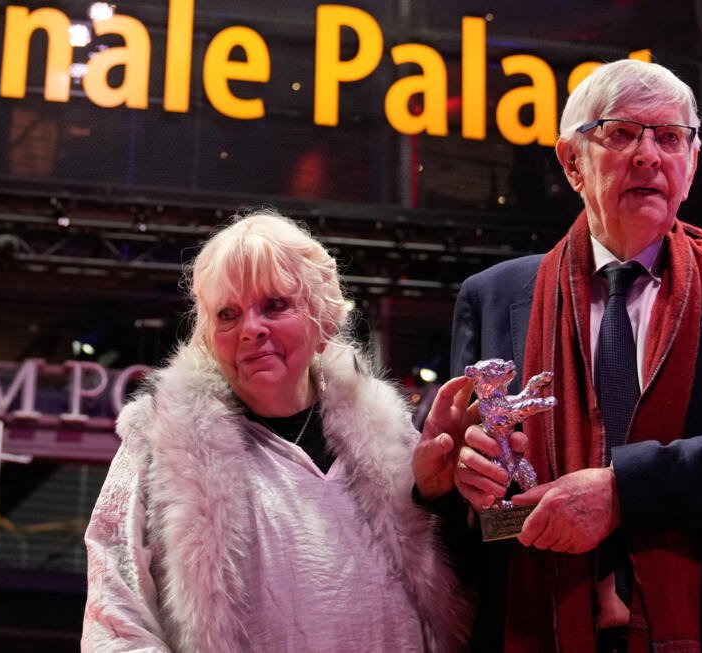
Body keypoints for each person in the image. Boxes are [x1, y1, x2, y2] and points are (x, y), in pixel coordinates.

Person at [448, 59, 702, 652]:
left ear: (692, 163)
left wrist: (623, 490)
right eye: (621, 133)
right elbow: (448, 483)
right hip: (534, 627)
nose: (649, 155)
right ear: (571, 162)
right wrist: (464, 480)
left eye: (671, 138)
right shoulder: (493, 297)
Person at [81, 209, 471, 652]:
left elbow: (455, 591)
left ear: (322, 318)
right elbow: (114, 621)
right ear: (209, 336)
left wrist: (447, 497)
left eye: (274, 305)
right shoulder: (159, 440)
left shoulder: (388, 432)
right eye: (227, 314)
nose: (251, 330)